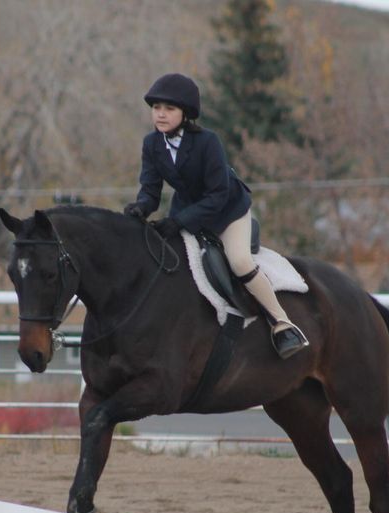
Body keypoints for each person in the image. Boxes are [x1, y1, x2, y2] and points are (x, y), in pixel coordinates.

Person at [124, 73, 308, 359]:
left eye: (169, 109)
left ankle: (282, 323)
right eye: (156, 107)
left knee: (239, 261)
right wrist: (141, 207)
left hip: (227, 211)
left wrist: (179, 222)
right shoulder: (152, 144)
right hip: (186, 209)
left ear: (185, 114)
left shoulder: (207, 142)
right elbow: (150, 189)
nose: (160, 114)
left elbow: (217, 195)